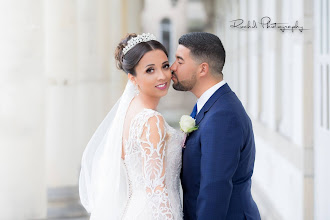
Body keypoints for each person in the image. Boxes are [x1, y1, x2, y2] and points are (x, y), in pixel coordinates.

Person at [79, 33, 184, 220]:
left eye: (165, 66)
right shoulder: (151, 120)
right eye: (150, 70)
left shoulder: (129, 111)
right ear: (133, 78)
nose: (162, 76)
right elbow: (156, 190)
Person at [171, 32, 261, 220]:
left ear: (202, 69)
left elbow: (215, 190)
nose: (172, 68)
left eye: (180, 61)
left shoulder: (223, 115)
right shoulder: (210, 105)